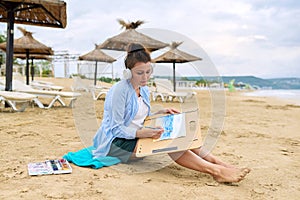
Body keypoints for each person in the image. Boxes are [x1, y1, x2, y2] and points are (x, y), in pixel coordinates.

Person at [92, 43, 250, 183]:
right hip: (116, 144)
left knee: (180, 132)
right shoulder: (120, 91)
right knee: (169, 142)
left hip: (136, 137)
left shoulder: (144, 89)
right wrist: (142, 133)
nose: (145, 77)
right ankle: (217, 171)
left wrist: (159, 112)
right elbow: (115, 128)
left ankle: (217, 162)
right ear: (128, 72)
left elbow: (137, 116)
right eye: (140, 73)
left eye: (148, 71)